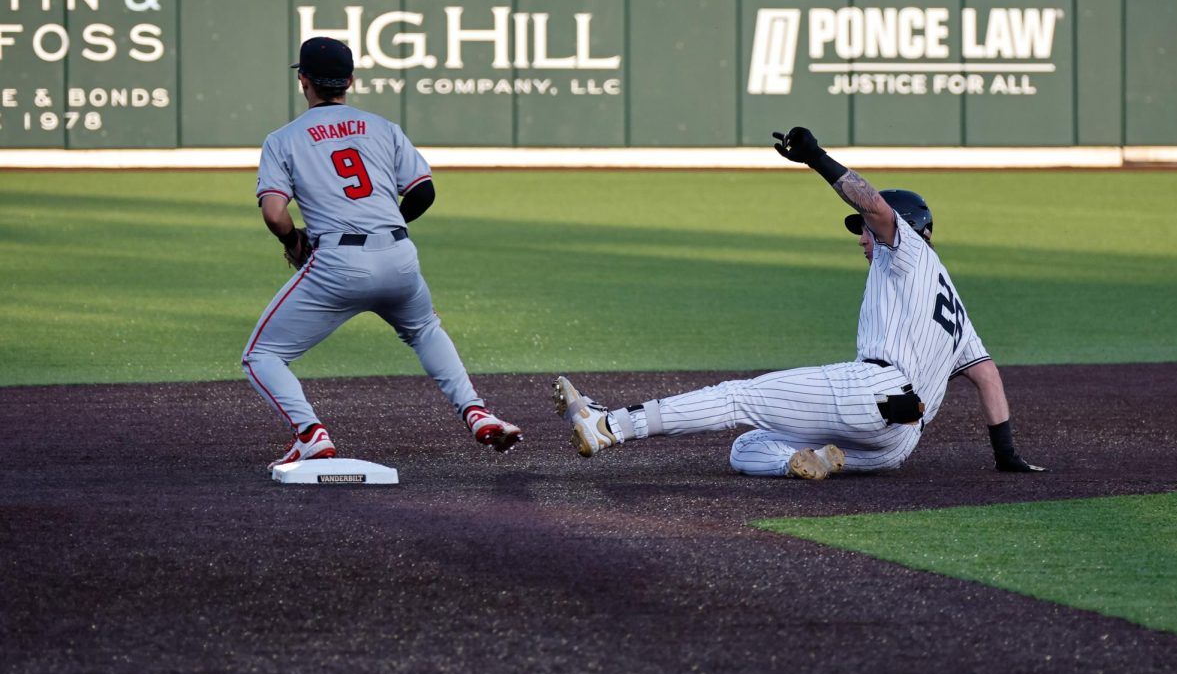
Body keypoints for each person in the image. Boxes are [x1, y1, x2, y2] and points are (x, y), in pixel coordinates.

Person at [554, 126, 1044, 480]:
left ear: (911, 230)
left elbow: (873, 205)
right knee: (746, 448)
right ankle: (801, 462)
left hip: (875, 390)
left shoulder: (908, 250)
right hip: (896, 442)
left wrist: (817, 158)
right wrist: (1005, 455)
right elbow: (987, 377)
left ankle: (608, 426)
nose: (863, 238)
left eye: (868, 232)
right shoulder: (952, 302)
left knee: (736, 397)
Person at [244, 37, 522, 470]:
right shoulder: (383, 127)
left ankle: (310, 434)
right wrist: (383, 227)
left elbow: (275, 213)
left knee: (261, 355)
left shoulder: (283, 140)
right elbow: (423, 192)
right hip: (399, 257)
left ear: (304, 82)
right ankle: (477, 412)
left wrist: (293, 243)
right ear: (350, 81)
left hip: (337, 264)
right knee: (425, 329)